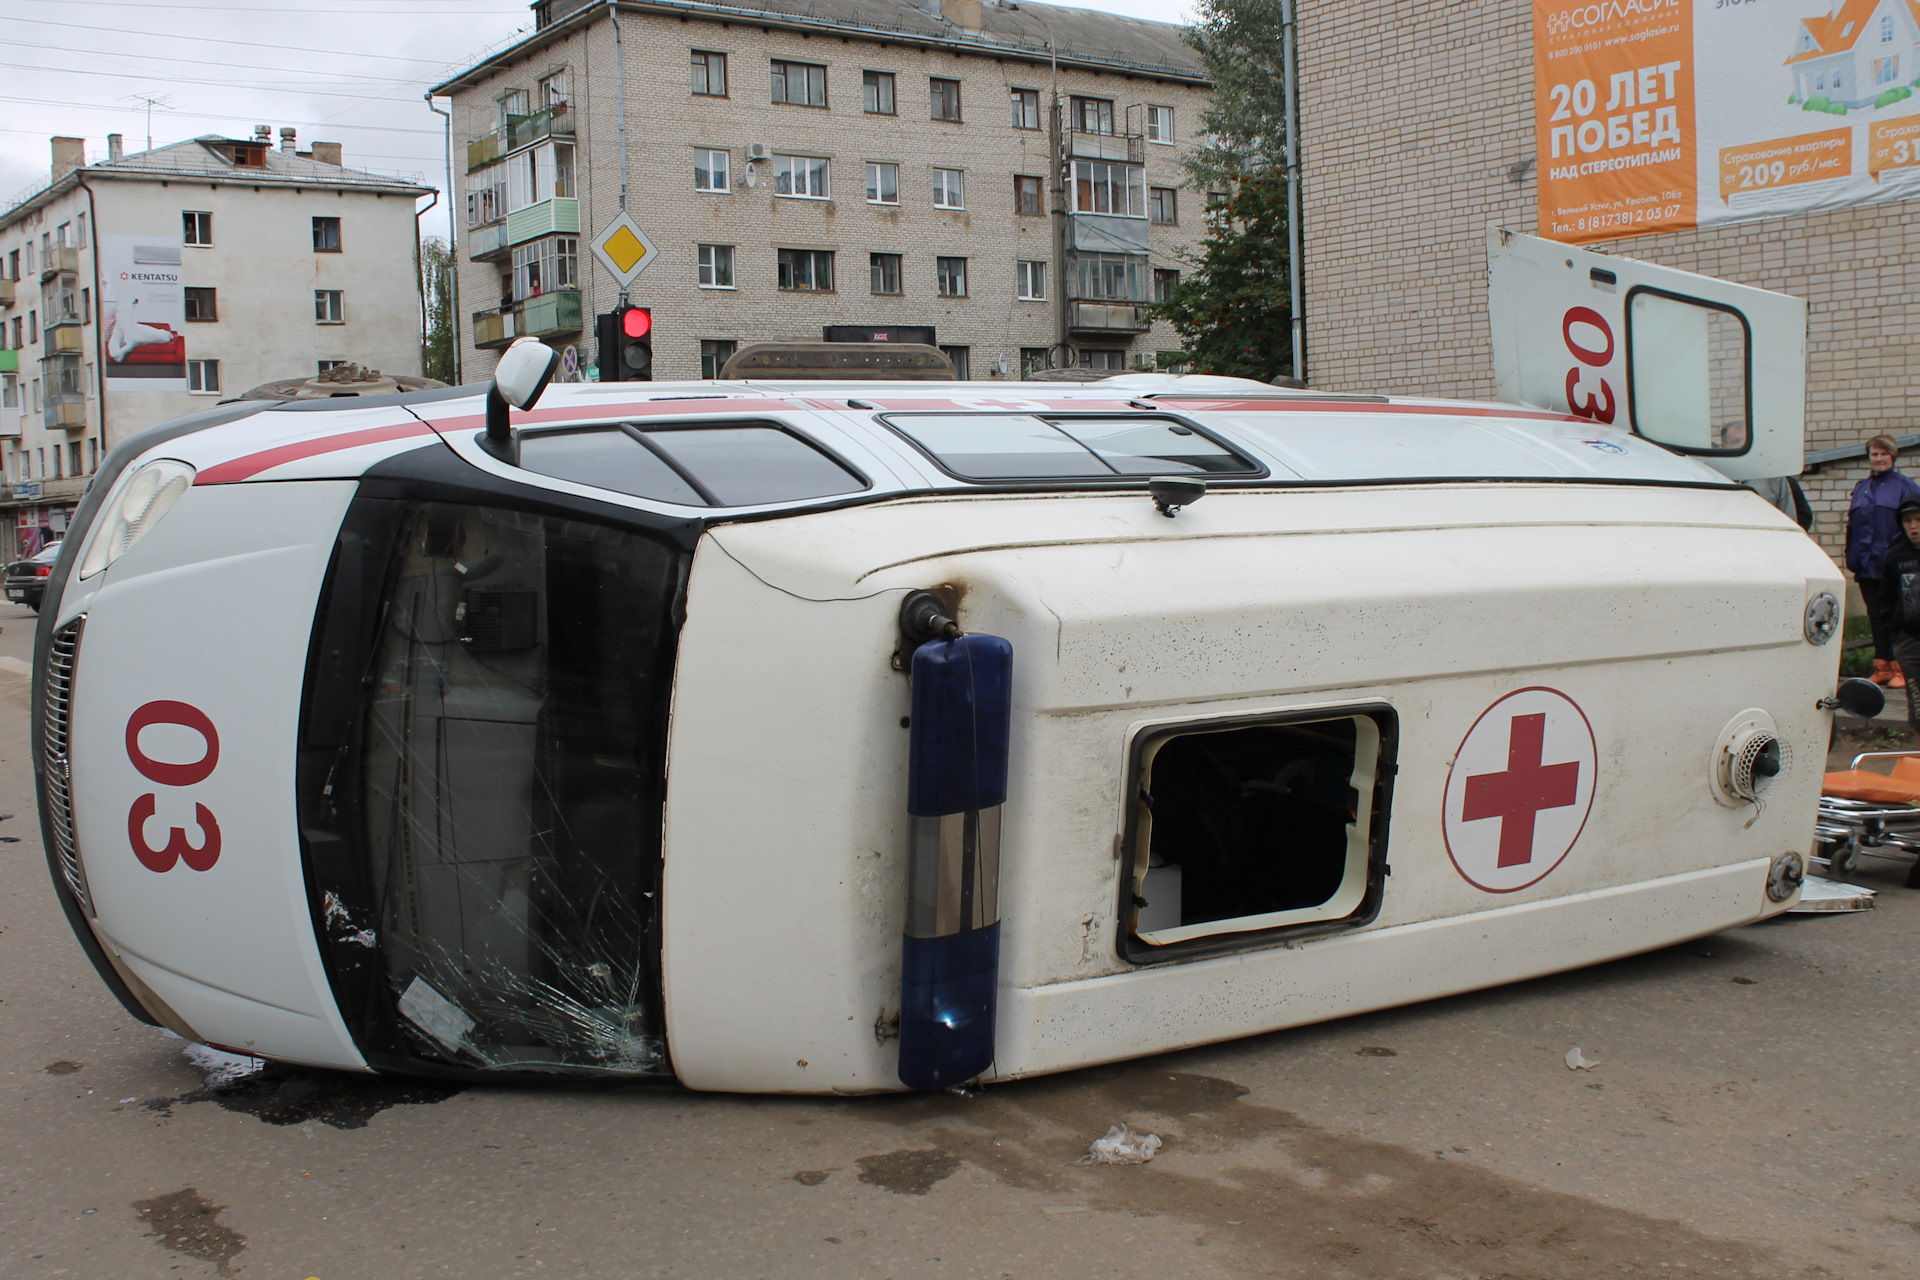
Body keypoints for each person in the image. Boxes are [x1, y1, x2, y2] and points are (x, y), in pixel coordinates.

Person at [1872, 496, 1920, 889]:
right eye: (1909, 521)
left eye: (1919, 520)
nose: (1914, 527)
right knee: (1919, 706)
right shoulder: (1896, 557)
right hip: (1910, 641)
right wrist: (1894, 634)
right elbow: (1885, 600)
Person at [1846, 436, 1920, 687]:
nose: (1878, 458)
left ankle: (1902, 668)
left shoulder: (1904, 486)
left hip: (1895, 565)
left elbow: (1911, 523)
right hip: (1866, 564)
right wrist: (1851, 555)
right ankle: (1883, 666)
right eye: (1874, 454)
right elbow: (1853, 526)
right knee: (1875, 616)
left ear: (1892, 456)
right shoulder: (1862, 488)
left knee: (1899, 615)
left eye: (1883, 454)